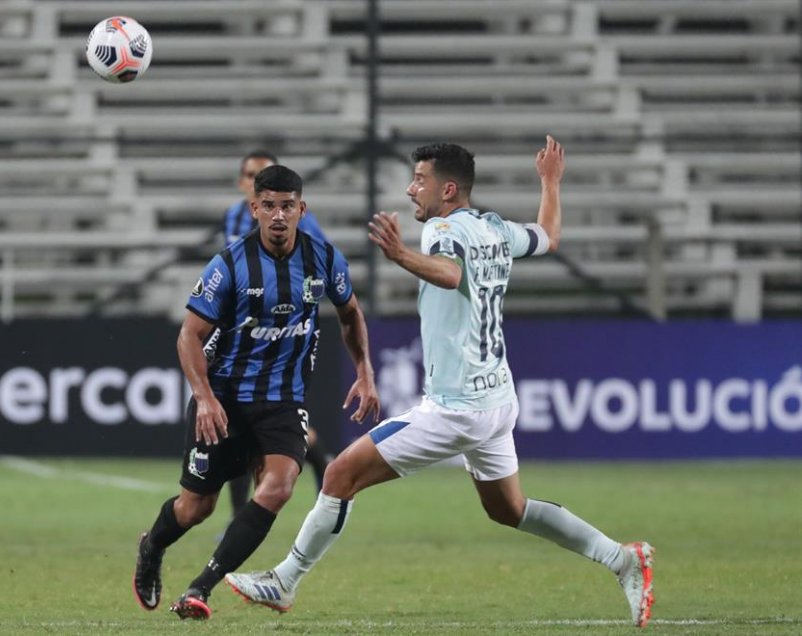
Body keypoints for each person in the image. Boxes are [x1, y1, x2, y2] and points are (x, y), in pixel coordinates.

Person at [224, 138, 656, 628]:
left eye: (420, 180)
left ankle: (284, 580)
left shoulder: (443, 231)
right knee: (508, 508)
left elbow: (450, 274)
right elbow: (548, 236)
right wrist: (550, 183)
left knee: (341, 474)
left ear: (447, 189)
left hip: (457, 407)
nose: (411, 190)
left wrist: (400, 254)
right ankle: (622, 559)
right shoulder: (495, 229)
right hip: (497, 399)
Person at [132, 164, 380, 621]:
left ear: (302, 209)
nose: (279, 215)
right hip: (224, 399)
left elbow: (350, 314)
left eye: (288, 206)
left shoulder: (324, 258)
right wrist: (204, 398)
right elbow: (189, 336)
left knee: (280, 486)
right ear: (255, 209)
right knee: (195, 507)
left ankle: (199, 589)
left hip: (283, 401)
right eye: (269, 206)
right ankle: (151, 547)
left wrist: (364, 370)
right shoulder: (229, 265)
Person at [220, 150, 332, 517]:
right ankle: (240, 516)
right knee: (236, 425)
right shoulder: (234, 218)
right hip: (243, 332)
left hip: (285, 334)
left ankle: (324, 474)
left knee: (263, 424)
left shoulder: (302, 222)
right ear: (244, 185)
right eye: (253, 175)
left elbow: (317, 263)